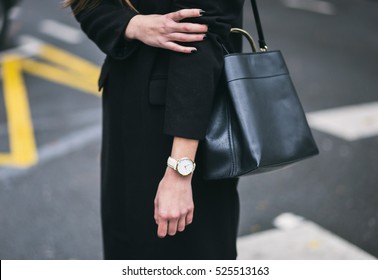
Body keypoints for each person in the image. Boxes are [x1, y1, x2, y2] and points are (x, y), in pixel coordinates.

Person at [64, 0, 244, 260]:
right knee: (128, 244)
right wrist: (131, 25)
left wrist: (179, 172)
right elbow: (86, 3)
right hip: (125, 107)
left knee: (186, 250)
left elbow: (200, 37)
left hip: (186, 128)